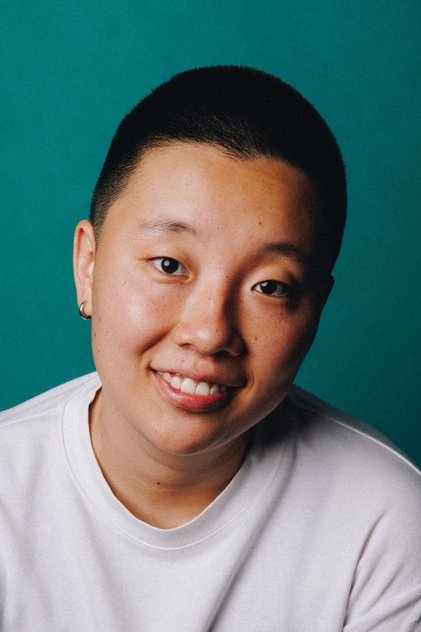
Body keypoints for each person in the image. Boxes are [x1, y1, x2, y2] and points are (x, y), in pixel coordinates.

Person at [0, 66, 420, 632]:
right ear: (88, 266)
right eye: (169, 264)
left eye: (270, 287)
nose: (210, 332)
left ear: (315, 308)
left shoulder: (385, 523)